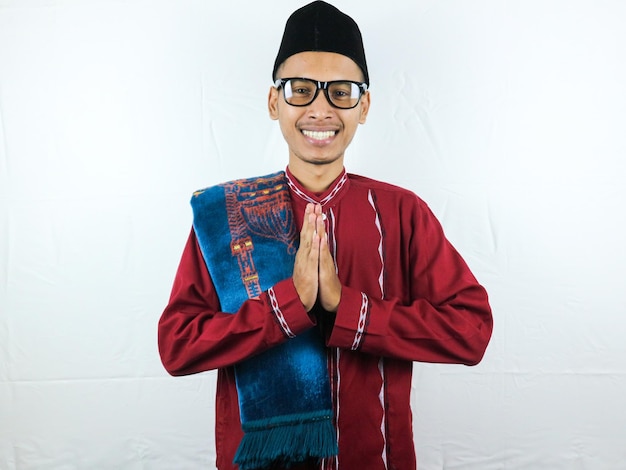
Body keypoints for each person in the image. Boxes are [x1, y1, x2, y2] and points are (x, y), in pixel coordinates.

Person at [158, 1, 493, 469]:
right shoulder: (226, 218)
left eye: (341, 91)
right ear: (274, 102)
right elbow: (177, 345)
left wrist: (348, 308)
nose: (320, 109)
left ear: (365, 105)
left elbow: (471, 331)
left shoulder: (401, 214)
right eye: (300, 90)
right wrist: (284, 305)